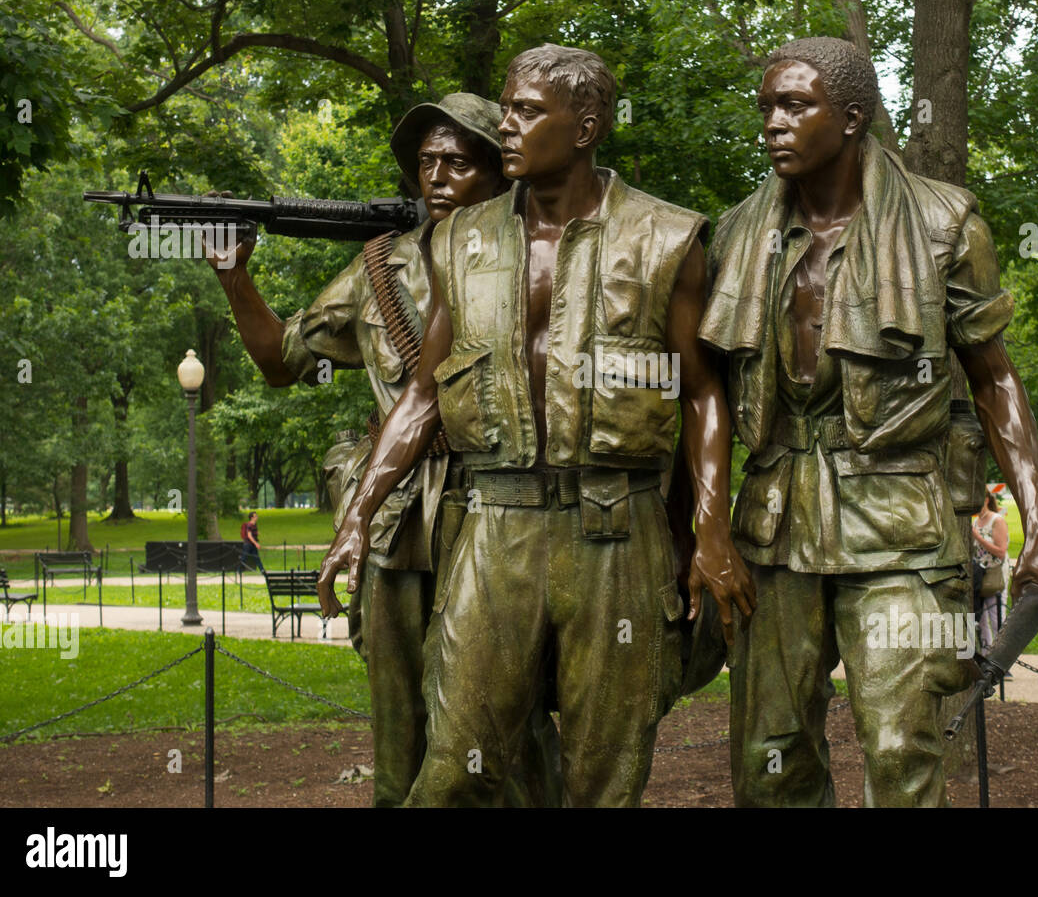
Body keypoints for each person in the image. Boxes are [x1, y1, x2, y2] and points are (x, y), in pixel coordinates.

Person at [318, 43, 754, 807]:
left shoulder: (668, 236)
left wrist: (711, 532)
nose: (507, 128)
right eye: (508, 108)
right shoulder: (461, 239)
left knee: (603, 775)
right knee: (457, 767)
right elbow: (423, 397)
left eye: (526, 112)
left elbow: (700, 394)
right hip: (495, 529)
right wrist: (356, 518)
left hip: (615, 531)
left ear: (584, 128)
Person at [700, 36, 1038, 807]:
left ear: (850, 117)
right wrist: (706, 530)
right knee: (769, 754)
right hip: (773, 521)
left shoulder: (945, 223)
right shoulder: (737, 233)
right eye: (766, 107)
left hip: (900, 519)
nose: (772, 123)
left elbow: (994, 378)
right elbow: (702, 390)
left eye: (794, 106)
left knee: (901, 744)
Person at [204, 93, 559, 808]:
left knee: (503, 710)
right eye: (425, 162)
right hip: (399, 519)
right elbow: (280, 361)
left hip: (498, 507)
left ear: (500, 173)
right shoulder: (379, 269)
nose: (437, 176)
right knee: (399, 711)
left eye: (459, 161)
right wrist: (233, 275)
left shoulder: (539, 258)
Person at [971, 490, 1009, 650]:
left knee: (997, 617)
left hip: (995, 573)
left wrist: (976, 536)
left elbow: (1001, 551)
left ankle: (1002, 657)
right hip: (980, 574)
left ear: (986, 500)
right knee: (981, 617)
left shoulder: (996, 520)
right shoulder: (975, 522)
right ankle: (986, 654)